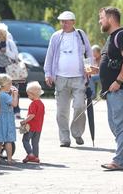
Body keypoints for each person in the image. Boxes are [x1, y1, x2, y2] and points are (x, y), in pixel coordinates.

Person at [44, 11, 92, 147]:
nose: (64, 24)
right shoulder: (56, 36)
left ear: (73, 22)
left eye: (66, 21)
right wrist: (48, 73)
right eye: (62, 21)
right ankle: (64, 138)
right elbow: (50, 55)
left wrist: (88, 69)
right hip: (60, 78)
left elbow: (88, 52)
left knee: (80, 106)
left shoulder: (81, 35)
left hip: (78, 78)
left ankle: (77, 133)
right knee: (62, 111)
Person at [96, 7, 123, 171]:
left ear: (111, 18)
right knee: (116, 125)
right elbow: (115, 61)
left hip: (122, 89)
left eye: (102, 17)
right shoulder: (112, 37)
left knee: (120, 125)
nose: (100, 21)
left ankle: (119, 160)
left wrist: (118, 81)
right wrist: (97, 69)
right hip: (114, 90)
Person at [0, 74, 18, 164]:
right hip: (7, 120)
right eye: (10, 84)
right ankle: (9, 159)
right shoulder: (5, 96)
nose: (11, 86)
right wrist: (15, 95)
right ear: (5, 85)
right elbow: (14, 104)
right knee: (8, 140)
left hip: (0, 119)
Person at [21, 81, 45, 164]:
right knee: (35, 143)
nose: (28, 96)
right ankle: (36, 157)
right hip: (39, 127)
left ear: (33, 94)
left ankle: (30, 154)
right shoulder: (41, 104)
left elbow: (32, 115)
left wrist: (24, 121)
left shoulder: (33, 104)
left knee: (25, 140)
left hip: (31, 127)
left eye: (28, 94)